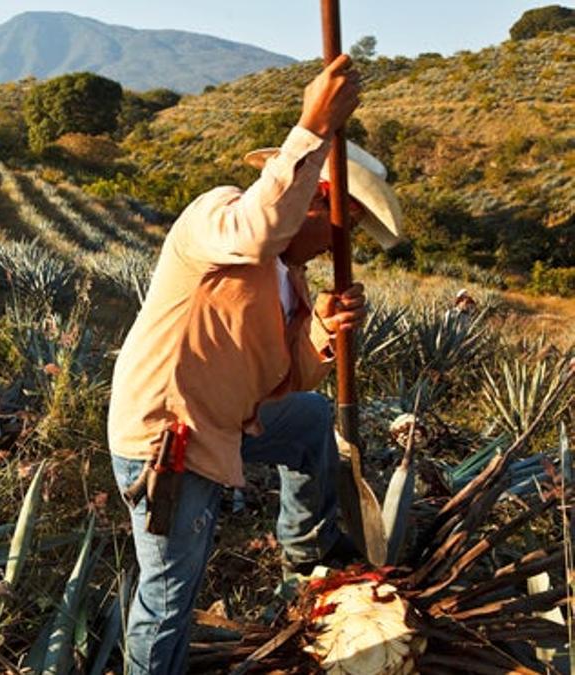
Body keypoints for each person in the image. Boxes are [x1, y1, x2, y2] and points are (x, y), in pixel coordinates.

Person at [106, 54, 405, 673]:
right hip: (169, 440)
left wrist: (323, 328)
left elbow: (286, 379)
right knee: (167, 597)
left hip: (223, 425)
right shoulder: (216, 218)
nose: (334, 244)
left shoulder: (290, 281)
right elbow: (260, 225)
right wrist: (314, 126)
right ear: (314, 199)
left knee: (308, 418)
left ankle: (306, 555)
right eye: (341, 227)